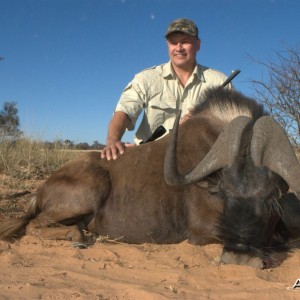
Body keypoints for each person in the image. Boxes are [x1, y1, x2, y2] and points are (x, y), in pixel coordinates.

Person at [101, 18, 230, 160]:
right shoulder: (146, 78)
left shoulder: (219, 81)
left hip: (200, 159)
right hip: (150, 156)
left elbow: (233, 125)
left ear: (198, 45)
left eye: (185, 41)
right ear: (168, 45)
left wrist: (202, 120)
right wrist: (112, 141)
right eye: (173, 43)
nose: (179, 48)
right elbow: (124, 111)